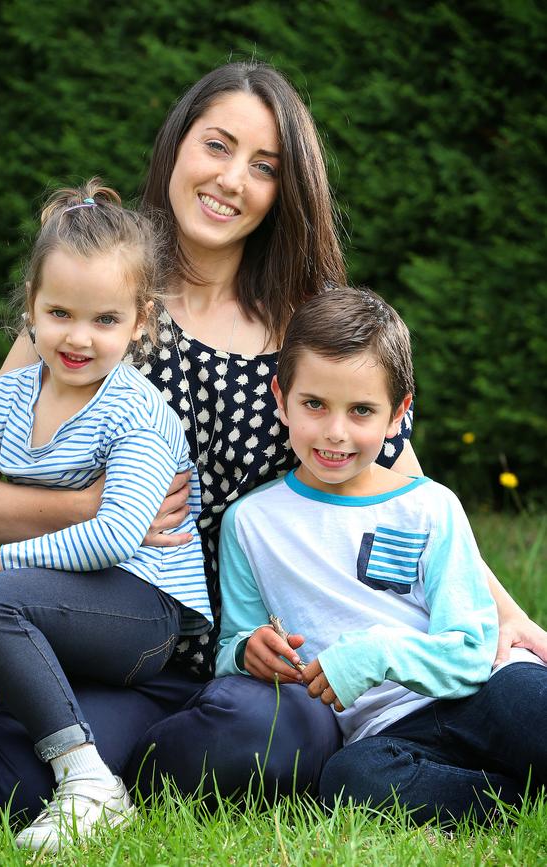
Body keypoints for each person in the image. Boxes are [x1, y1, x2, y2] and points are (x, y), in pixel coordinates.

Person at [0, 61, 547, 819]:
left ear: (286, 191)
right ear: (177, 144)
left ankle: (134, 767)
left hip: (241, 665)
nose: (232, 179)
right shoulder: (95, 297)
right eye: (217, 145)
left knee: (283, 736)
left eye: (264, 167)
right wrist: (99, 504)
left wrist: (505, 613)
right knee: (6, 789)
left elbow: (398, 482)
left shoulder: (302, 323)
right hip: (105, 630)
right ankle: (77, 756)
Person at [0, 180, 213, 849]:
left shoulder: (138, 409)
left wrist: (6, 561)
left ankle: (90, 782)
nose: (79, 337)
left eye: (104, 320)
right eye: (60, 312)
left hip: (142, 611)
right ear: (31, 312)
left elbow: (119, 531)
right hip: (44, 599)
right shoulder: (8, 397)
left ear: (140, 321)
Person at [217, 287, 547, 824]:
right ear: (281, 397)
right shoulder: (250, 522)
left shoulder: (430, 507)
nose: (335, 432)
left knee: (530, 706)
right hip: (389, 731)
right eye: (314, 404)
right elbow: (232, 642)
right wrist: (245, 652)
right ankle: (515, 800)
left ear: (398, 414)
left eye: (362, 410)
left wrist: (377, 655)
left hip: (487, 693)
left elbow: (471, 653)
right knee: (350, 780)